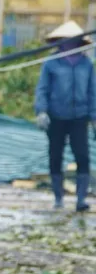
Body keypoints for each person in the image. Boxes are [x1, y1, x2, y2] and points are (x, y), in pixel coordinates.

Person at [34, 20, 96, 211]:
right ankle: (58, 198)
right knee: (55, 156)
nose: (68, 44)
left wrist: (94, 118)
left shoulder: (87, 64)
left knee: (83, 157)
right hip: (56, 117)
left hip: (79, 117)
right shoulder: (51, 64)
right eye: (65, 41)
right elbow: (42, 89)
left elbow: (92, 92)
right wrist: (41, 111)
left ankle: (80, 200)